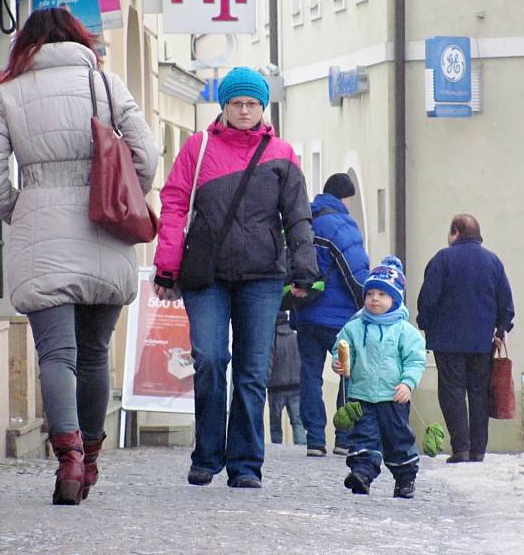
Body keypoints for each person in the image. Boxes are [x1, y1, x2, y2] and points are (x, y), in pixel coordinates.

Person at [0, 8, 158, 505]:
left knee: (57, 354)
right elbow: (147, 154)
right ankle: (91, 461)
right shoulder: (106, 83)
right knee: (95, 354)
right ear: (80, 38)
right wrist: (121, 196)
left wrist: (22, 209)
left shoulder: (8, 94)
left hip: (41, 233)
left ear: (26, 45)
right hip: (106, 228)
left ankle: (68, 460)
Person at [152, 67, 318, 489]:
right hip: (207, 275)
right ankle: (207, 455)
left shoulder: (282, 153)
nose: (244, 111)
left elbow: (298, 216)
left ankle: (245, 463)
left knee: (252, 370)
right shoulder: (199, 146)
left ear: (263, 108)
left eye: (252, 104)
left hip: (262, 277)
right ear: (223, 106)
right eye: (236, 103)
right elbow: (173, 204)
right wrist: (168, 265)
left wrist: (305, 270)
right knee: (209, 359)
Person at [416, 214, 515, 464]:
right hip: (482, 341)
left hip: (447, 341)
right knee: (479, 393)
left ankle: (460, 447)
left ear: (455, 232)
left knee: (452, 392)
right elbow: (506, 302)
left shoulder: (442, 259)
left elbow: (428, 298)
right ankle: (478, 450)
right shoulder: (493, 261)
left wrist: (424, 324)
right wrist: (500, 330)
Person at [331, 256, 426, 498]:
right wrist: (340, 363)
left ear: (395, 299)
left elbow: (415, 360)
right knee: (364, 436)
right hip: (361, 396)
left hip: (393, 397)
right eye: (370, 293)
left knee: (398, 440)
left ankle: (405, 478)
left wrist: (407, 383)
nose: (374, 298)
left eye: (382, 295)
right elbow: (341, 348)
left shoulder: (405, 331)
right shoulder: (354, 327)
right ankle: (362, 474)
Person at [292, 173, 370, 457]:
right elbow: (356, 272)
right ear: (344, 197)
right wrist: (367, 305)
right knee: (349, 375)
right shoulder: (342, 225)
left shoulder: (305, 221)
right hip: (340, 322)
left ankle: (315, 439)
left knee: (310, 376)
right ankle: (344, 437)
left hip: (306, 314)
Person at [267, 311, 307, 445]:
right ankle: (301, 446)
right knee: (298, 421)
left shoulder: (272, 340)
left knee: (275, 422)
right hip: (296, 386)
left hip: (275, 388)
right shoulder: (297, 338)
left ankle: (276, 446)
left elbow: (269, 363)